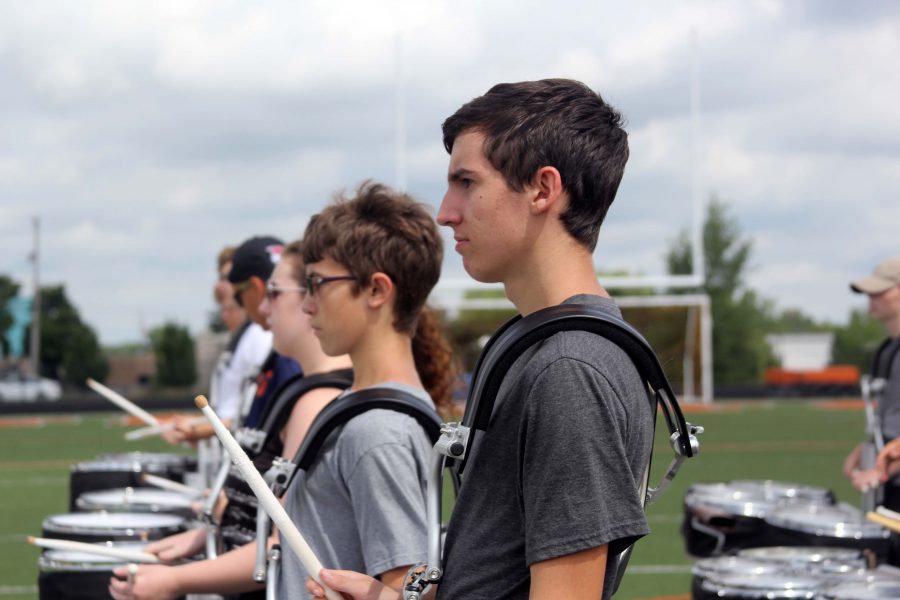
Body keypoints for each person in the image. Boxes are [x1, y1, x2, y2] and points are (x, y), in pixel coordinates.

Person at [307, 79, 655, 600]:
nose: (446, 212)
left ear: (543, 189)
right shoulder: (540, 346)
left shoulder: (571, 369)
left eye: (466, 182)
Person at [109, 240, 353, 600]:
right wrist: (210, 531)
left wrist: (176, 581)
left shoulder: (317, 399)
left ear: (313, 298)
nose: (263, 306)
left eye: (274, 292)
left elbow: (283, 543)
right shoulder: (302, 390)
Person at [276, 182, 457, 598]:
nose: (307, 304)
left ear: (376, 290)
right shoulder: (364, 409)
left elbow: (409, 590)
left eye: (318, 283)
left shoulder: (375, 432)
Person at [842, 257, 900, 499]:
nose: (871, 299)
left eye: (880, 292)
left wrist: (884, 470)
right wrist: (867, 449)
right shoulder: (889, 350)